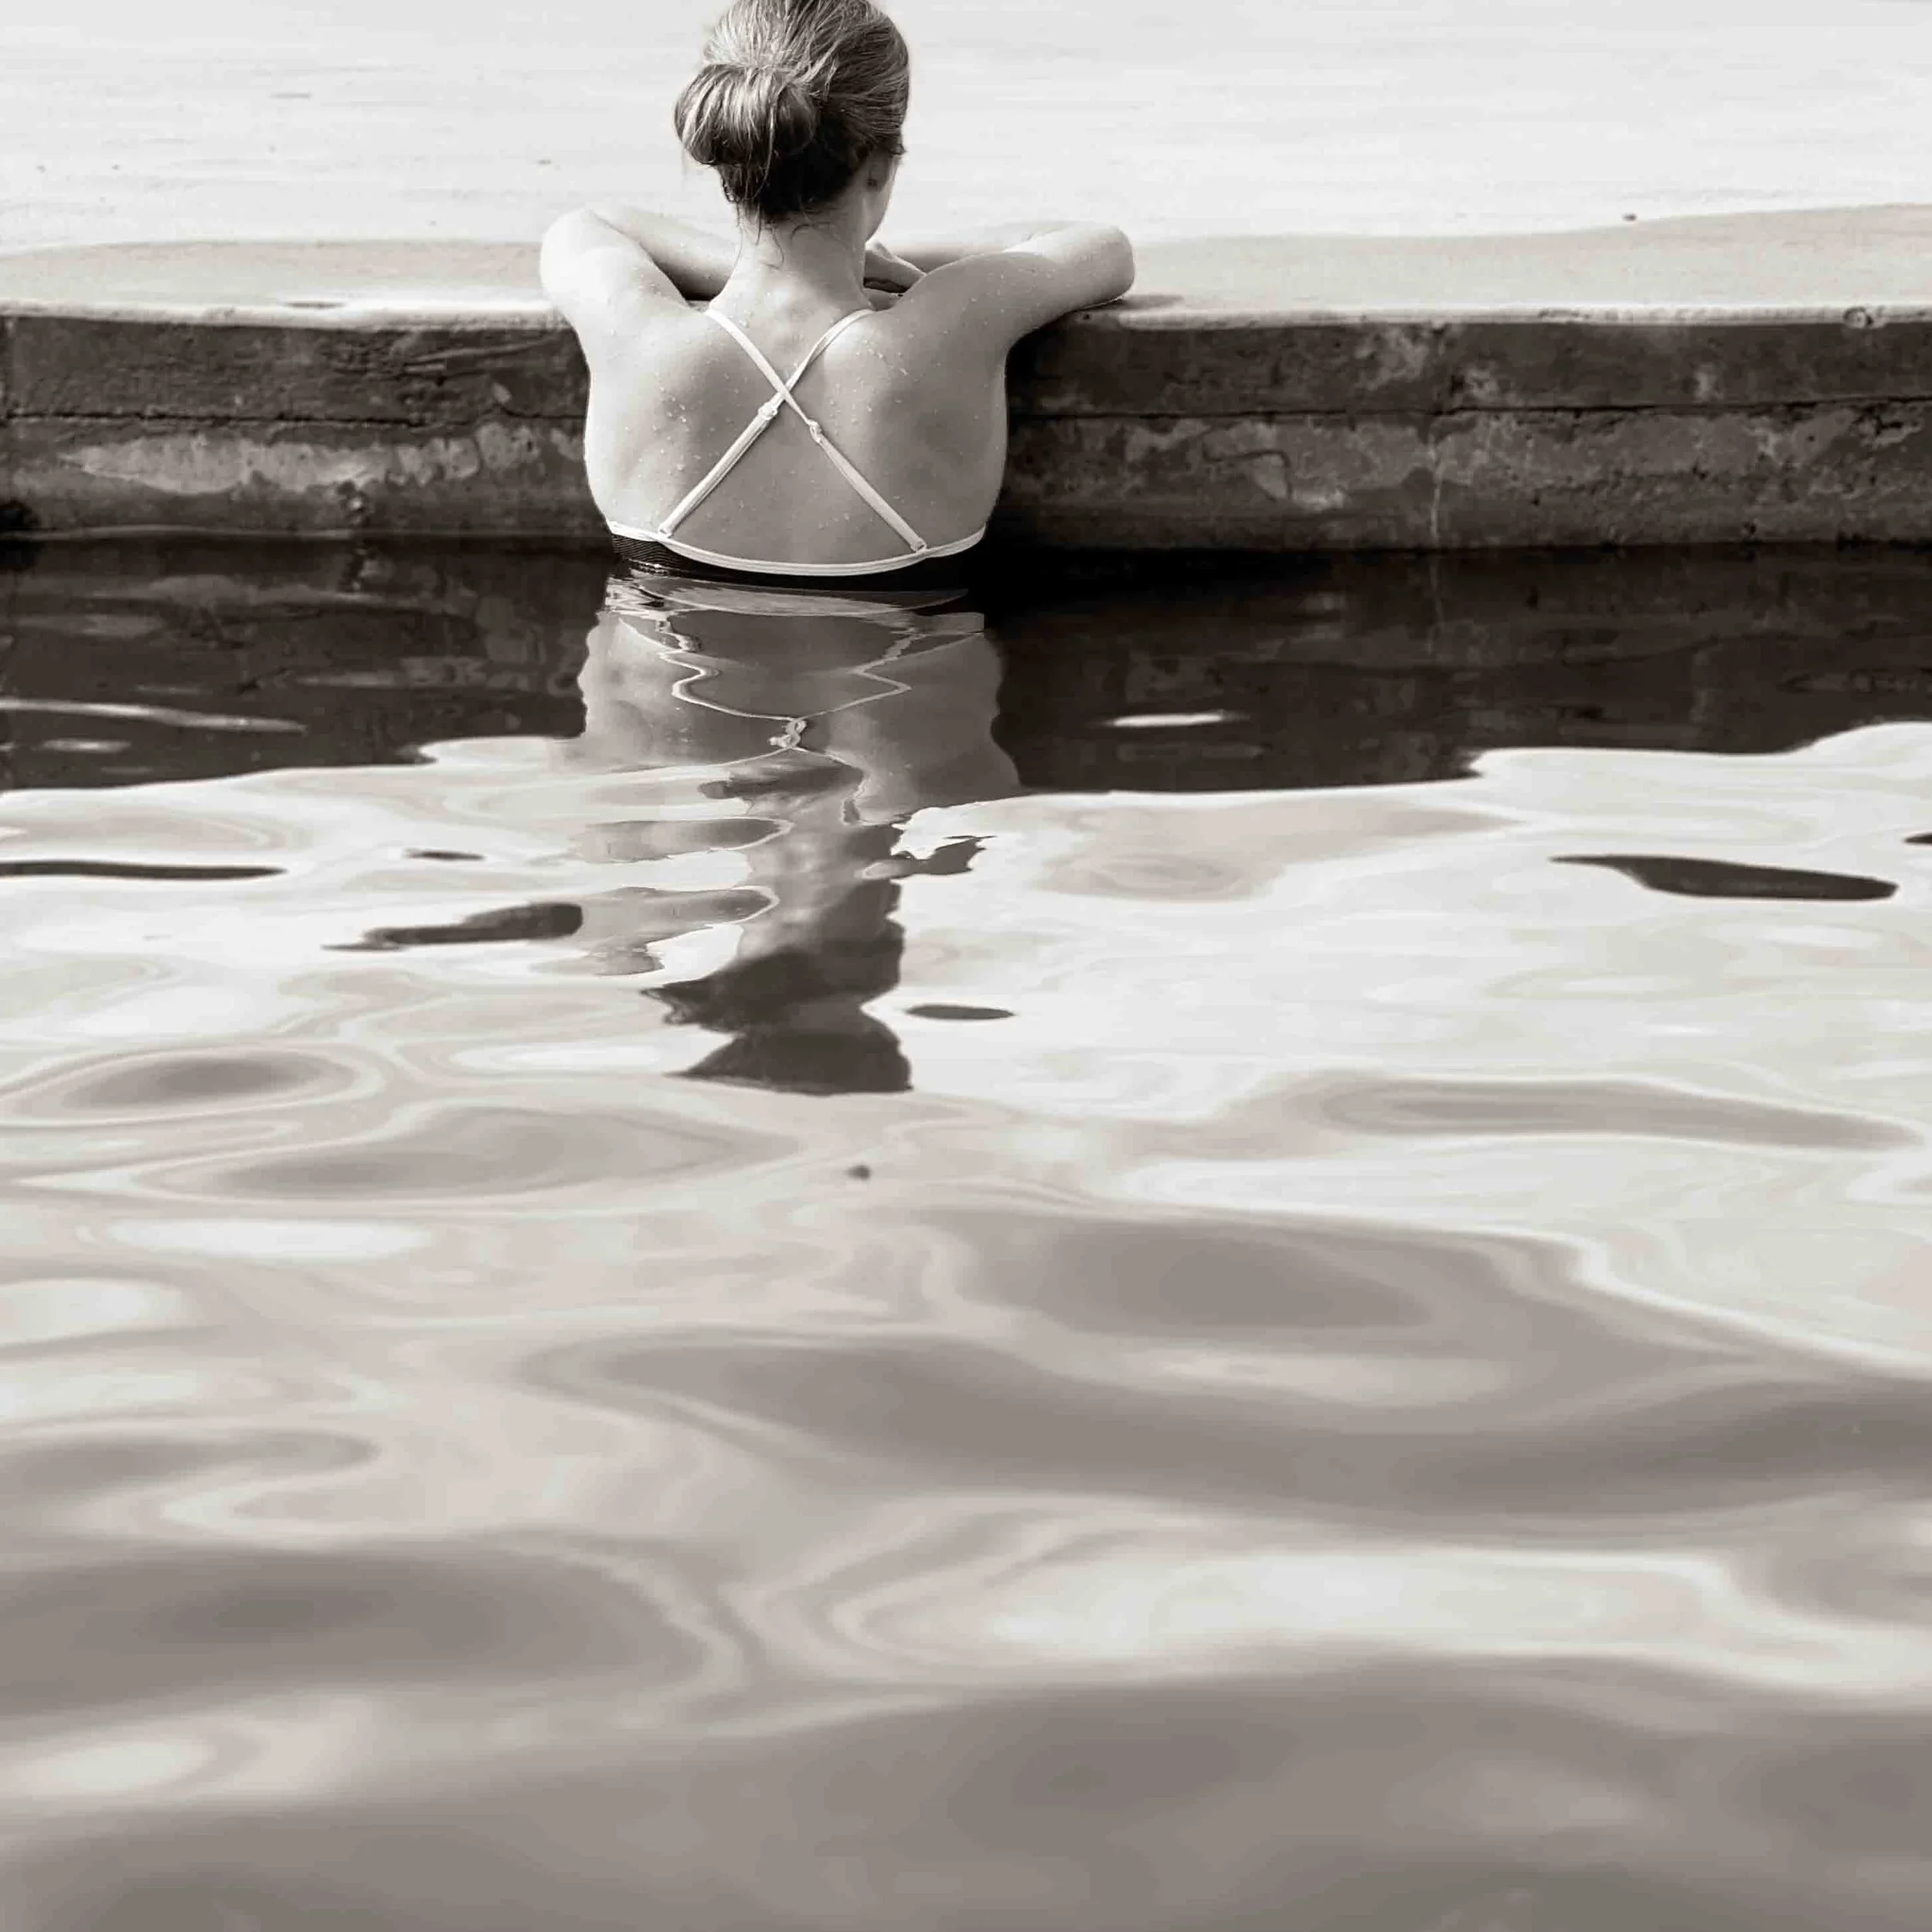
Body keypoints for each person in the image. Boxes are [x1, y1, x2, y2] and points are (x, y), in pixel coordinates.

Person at [539, 0, 1134, 588]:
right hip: (910, 673)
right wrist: (869, 266)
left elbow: (590, 223)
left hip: (663, 674)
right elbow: (1103, 248)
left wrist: (761, 264)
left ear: (730, 148)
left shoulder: (636, 329)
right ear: (878, 163)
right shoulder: (956, 317)